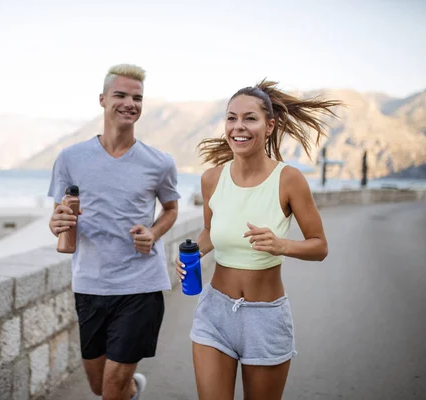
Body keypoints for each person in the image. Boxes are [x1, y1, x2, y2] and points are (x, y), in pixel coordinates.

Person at [176, 80, 343, 400]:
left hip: (265, 318)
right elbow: (210, 232)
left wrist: (284, 245)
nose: (238, 126)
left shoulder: (289, 179)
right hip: (214, 314)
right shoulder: (212, 179)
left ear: (269, 126)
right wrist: (192, 253)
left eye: (249, 118)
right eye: (231, 117)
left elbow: (319, 245)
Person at [48, 63, 180, 400]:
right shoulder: (70, 158)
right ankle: (133, 391)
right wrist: (56, 223)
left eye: (137, 98)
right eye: (120, 95)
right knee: (98, 384)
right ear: (103, 99)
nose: (129, 103)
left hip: (140, 286)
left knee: (110, 387)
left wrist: (153, 233)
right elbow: (59, 216)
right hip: (90, 284)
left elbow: (170, 209)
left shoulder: (159, 162)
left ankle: (123, 389)